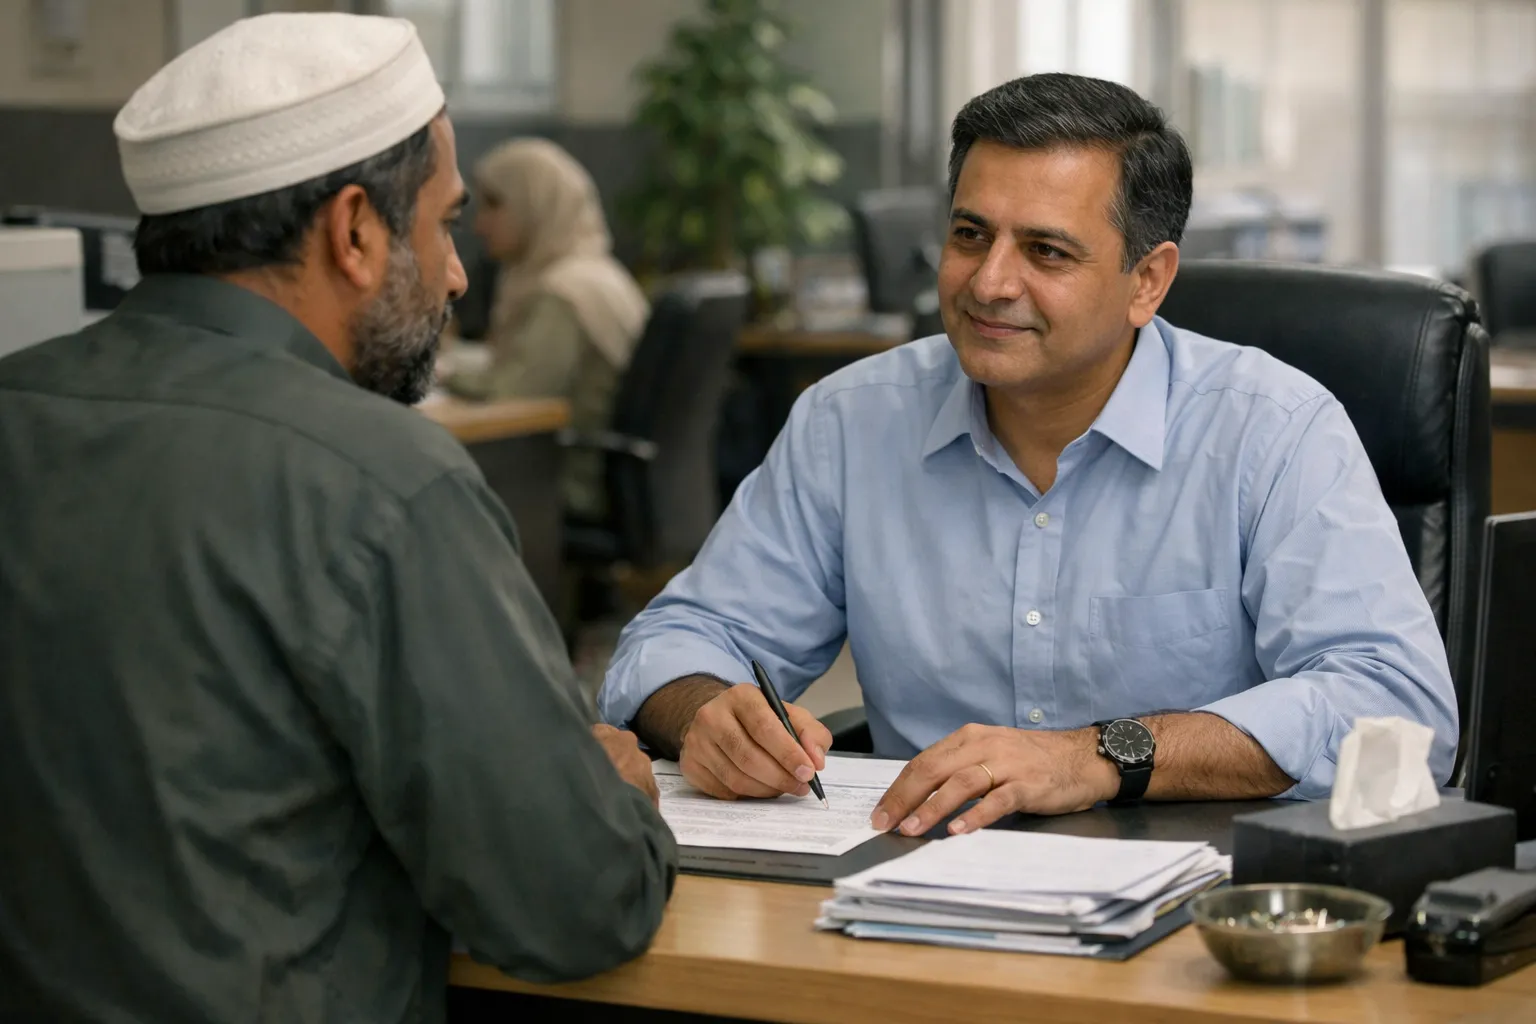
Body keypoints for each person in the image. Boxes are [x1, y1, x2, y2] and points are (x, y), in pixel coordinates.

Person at [0, 13, 674, 1024]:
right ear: (354, 230)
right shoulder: (386, 482)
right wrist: (611, 792)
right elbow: (575, 903)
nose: (455, 273)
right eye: (443, 222)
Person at [599, 73, 1458, 840]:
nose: (989, 283)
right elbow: (677, 639)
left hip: (1203, 906)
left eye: (1045, 251)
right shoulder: (850, 421)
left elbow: (1398, 709)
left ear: (1148, 281)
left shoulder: (1273, 429)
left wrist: (1100, 756)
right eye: (971, 235)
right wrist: (708, 712)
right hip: (921, 883)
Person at [445, 137, 649, 521]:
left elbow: (514, 395)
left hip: (568, 481)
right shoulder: (599, 274)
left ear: (535, 204)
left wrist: (442, 371)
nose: (480, 224)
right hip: (613, 480)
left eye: (494, 204)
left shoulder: (563, 294)